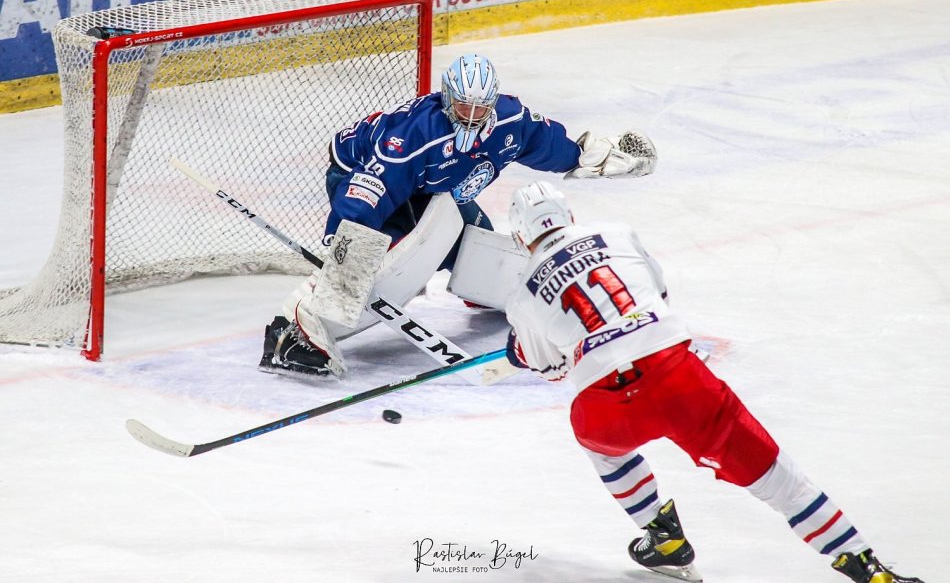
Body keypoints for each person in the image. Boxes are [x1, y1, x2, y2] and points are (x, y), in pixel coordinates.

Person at [503, 181, 924, 583]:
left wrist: (525, 350)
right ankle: (866, 567)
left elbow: (552, 370)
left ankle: (664, 538)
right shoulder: (617, 233)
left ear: (521, 237)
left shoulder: (521, 297)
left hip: (606, 404)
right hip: (678, 379)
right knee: (780, 481)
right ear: (569, 215)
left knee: (599, 446)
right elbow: (660, 297)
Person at [259, 54, 658, 379]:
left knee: (480, 250)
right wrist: (347, 244)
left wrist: (592, 157)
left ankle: (480, 290)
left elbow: (547, 143)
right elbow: (368, 192)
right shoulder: (413, 135)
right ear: (448, 98)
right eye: (464, 106)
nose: (472, 116)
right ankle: (295, 330)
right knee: (381, 256)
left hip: (432, 191)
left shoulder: (510, 120)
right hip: (358, 178)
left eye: (481, 107)